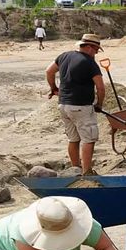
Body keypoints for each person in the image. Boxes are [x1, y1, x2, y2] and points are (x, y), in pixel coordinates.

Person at [46, 33, 106, 176]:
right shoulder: (90, 63)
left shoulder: (64, 56)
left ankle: (75, 169)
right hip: (81, 106)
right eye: (96, 50)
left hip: (63, 105)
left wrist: (54, 88)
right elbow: (101, 88)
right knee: (88, 139)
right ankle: (86, 172)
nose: (96, 54)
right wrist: (99, 104)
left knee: (73, 139)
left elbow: (49, 71)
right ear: (91, 47)